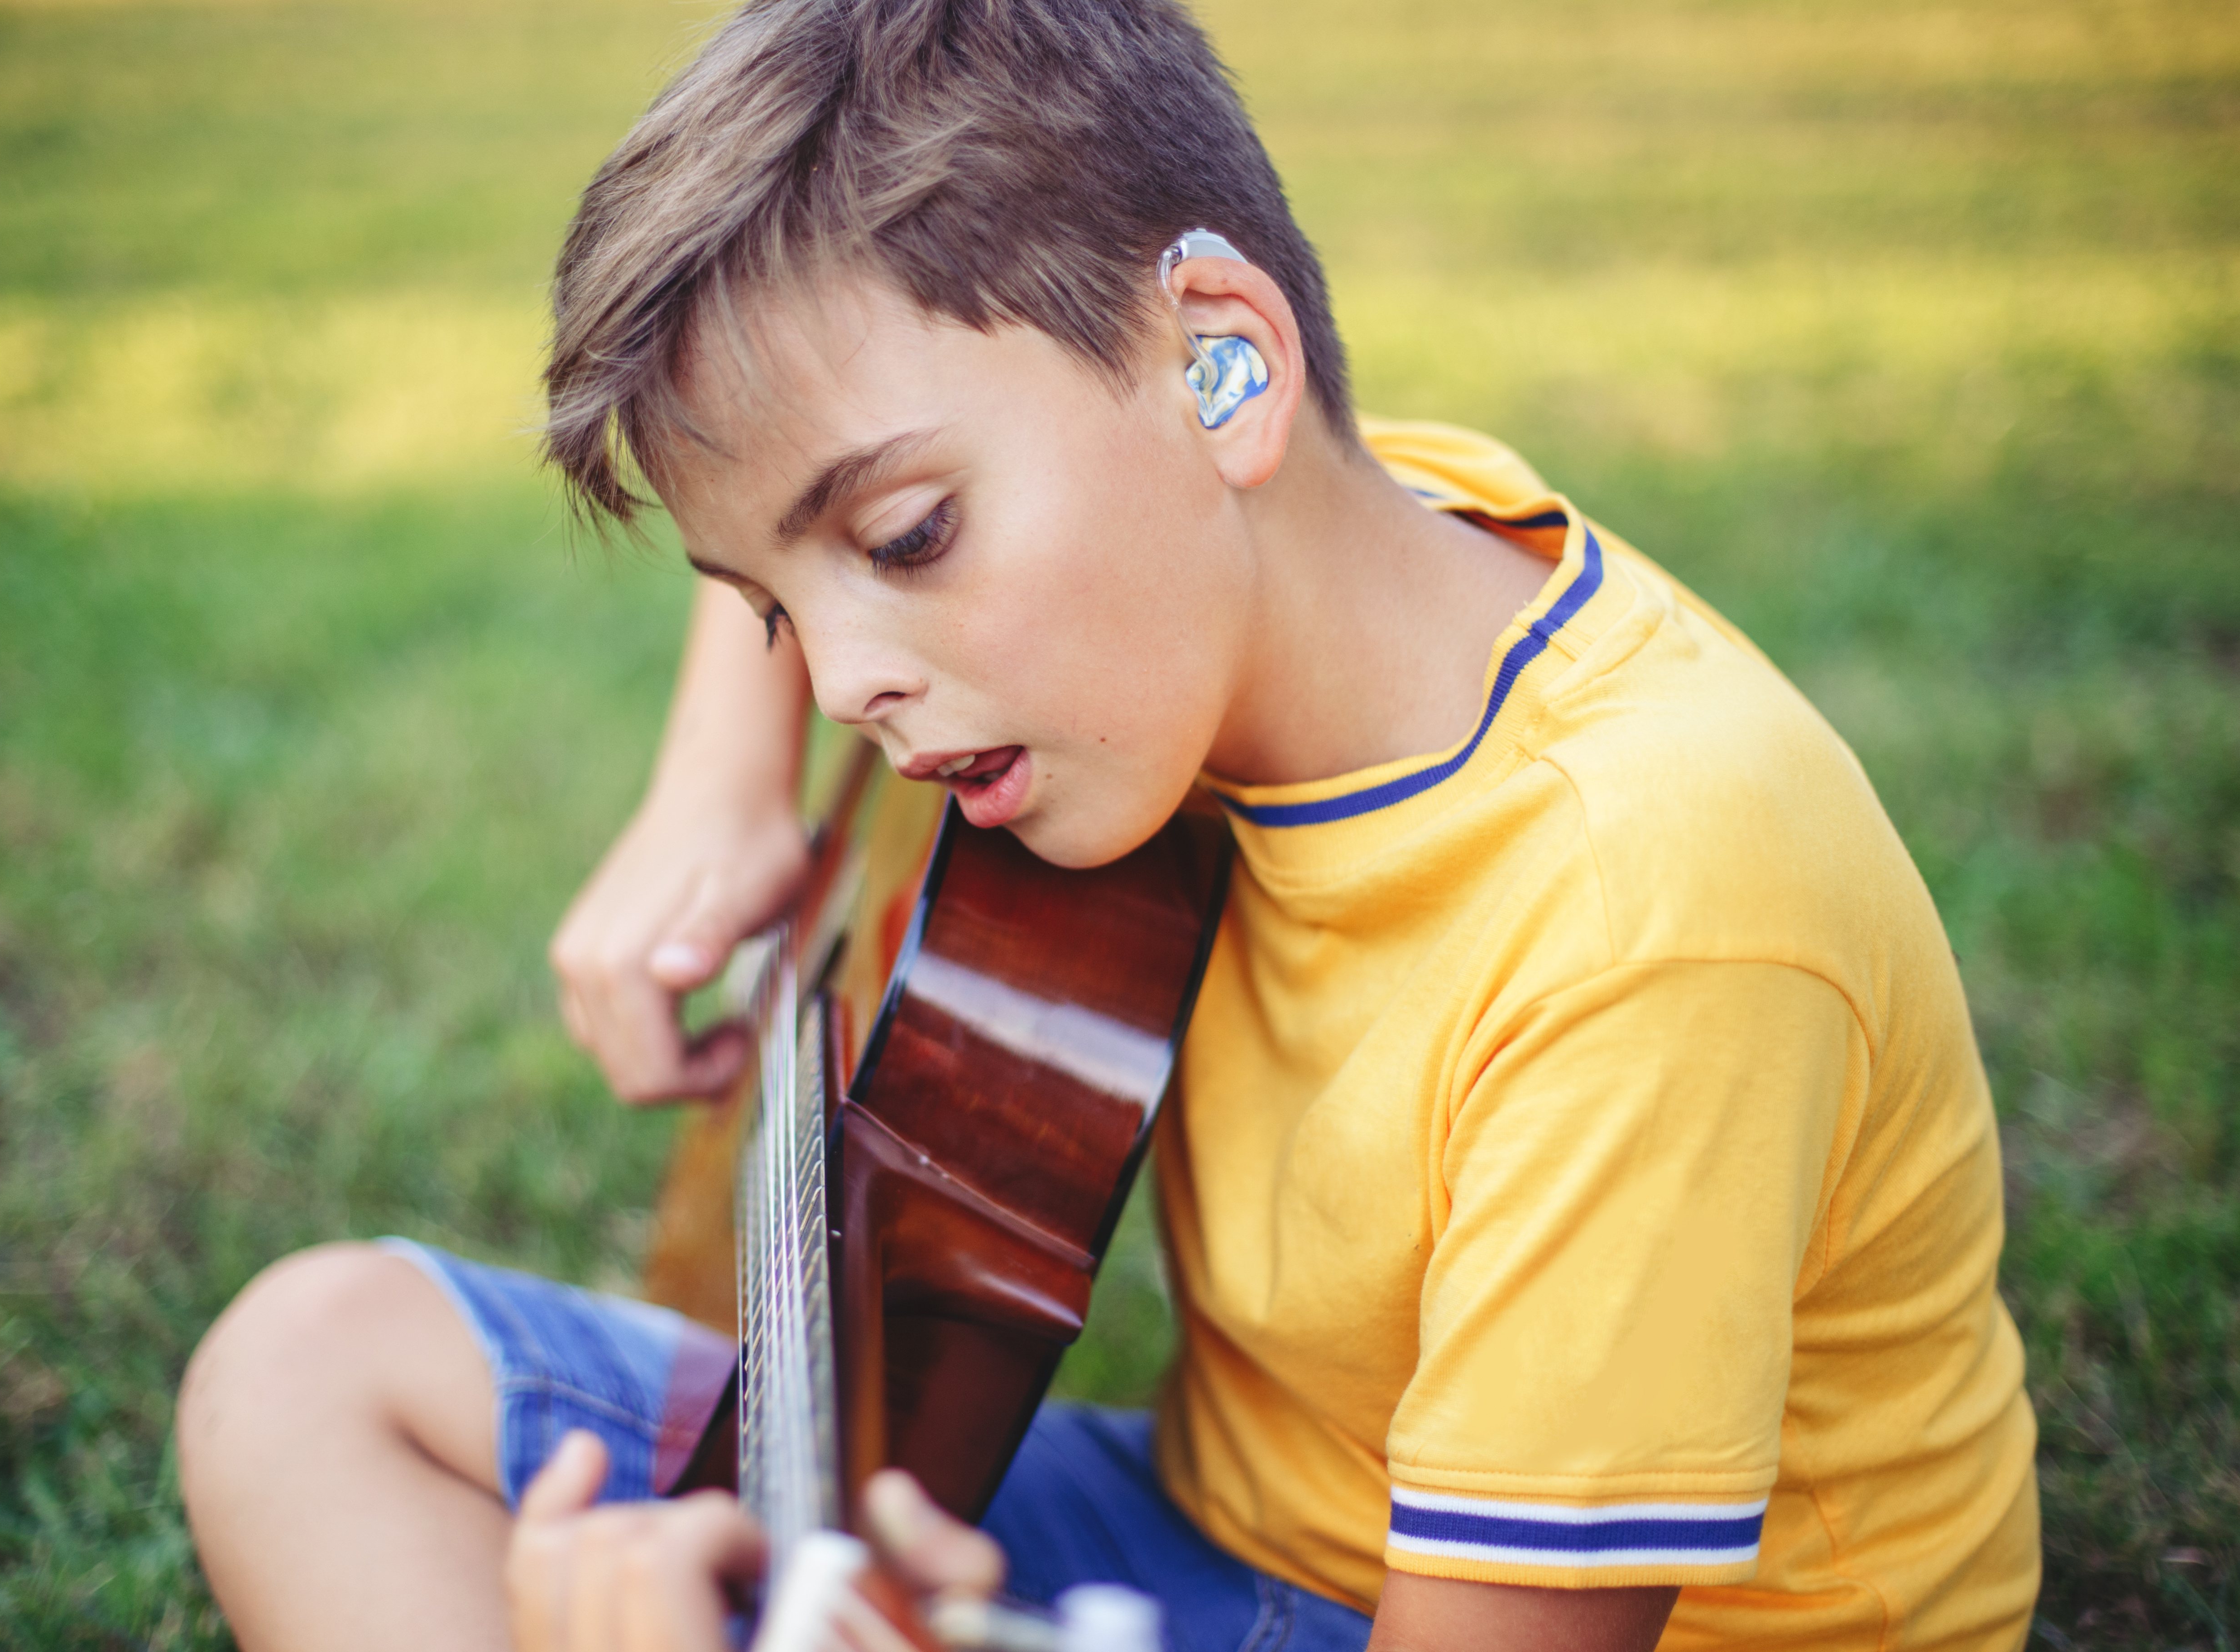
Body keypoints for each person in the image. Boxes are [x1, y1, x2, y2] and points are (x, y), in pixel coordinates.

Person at [175, 0, 2042, 1647]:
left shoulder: (1655, 903)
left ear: (1223, 359)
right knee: (305, 1367)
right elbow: (825, 420)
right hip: (1216, 1524)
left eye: (907, 542)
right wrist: (720, 775)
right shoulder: (1319, 526)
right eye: (768, 604)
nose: (839, 683)